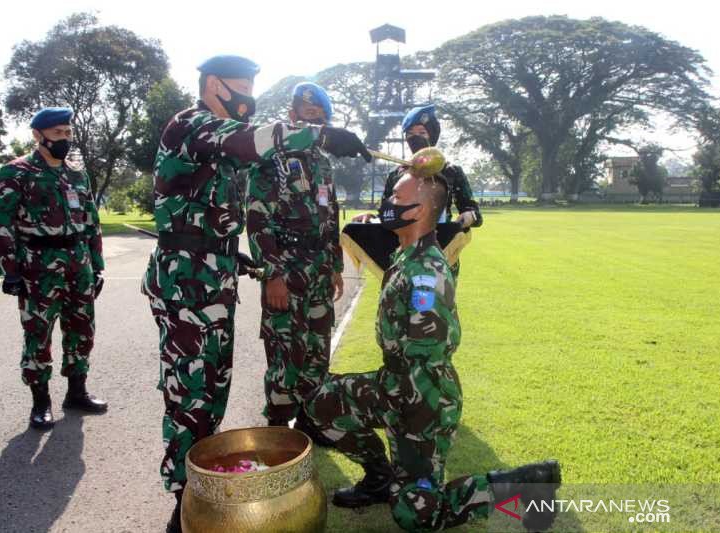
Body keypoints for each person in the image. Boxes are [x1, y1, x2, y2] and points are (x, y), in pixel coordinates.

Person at [139, 55, 371, 533]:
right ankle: (182, 503)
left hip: (213, 274)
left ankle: (200, 496)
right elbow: (250, 145)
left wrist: (237, 257)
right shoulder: (194, 125)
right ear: (211, 85)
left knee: (212, 389)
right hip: (186, 281)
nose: (246, 94)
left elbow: (219, 215)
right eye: (238, 85)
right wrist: (323, 134)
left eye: (250, 86)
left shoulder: (221, 141)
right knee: (192, 394)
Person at [307, 172, 560, 531]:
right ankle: (380, 477)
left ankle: (524, 485)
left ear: (420, 209)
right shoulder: (406, 251)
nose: (388, 204)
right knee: (322, 405)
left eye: (396, 198)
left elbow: (427, 355)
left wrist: (406, 423)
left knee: (416, 516)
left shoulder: (426, 271)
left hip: (422, 400)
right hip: (394, 383)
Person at [0, 106, 108, 431]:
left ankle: (77, 392)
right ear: (38, 136)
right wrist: (9, 270)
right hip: (37, 266)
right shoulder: (16, 172)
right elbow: (4, 224)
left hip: (77, 262)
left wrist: (96, 266)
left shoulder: (76, 174)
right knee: (38, 335)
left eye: (68, 133)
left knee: (82, 329)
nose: (65, 139)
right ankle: (40, 403)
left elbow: (91, 223)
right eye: (58, 134)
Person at [246, 82, 342, 444]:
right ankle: (276, 429)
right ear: (292, 117)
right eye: (305, 114)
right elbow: (257, 219)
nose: (311, 120)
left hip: (318, 271)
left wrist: (334, 264)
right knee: (285, 350)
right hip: (285, 270)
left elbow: (331, 215)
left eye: (318, 115)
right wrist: (272, 275)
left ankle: (310, 422)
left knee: (317, 351)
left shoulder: (324, 163)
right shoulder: (274, 158)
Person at [353, 104, 482, 280]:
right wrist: (371, 217)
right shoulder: (396, 174)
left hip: (442, 250)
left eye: (422, 133)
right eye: (410, 134)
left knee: (436, 303)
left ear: (432, 135)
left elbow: (474, 212)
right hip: (401, 254)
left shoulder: (451, 171)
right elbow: (387, 213)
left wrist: (469, 216)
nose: (415, 138)